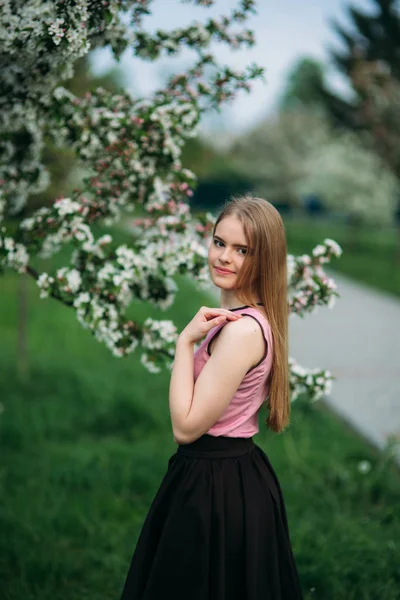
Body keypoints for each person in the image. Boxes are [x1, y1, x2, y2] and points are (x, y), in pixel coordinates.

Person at [120, 195, 304, 600]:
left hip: (216, 484)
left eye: (243, 250)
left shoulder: (241, 333)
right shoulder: (242, 323)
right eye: (219, 242)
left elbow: (185, 427)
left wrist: (184, 343)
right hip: (225, 474)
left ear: (265, 259)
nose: (225, 257)